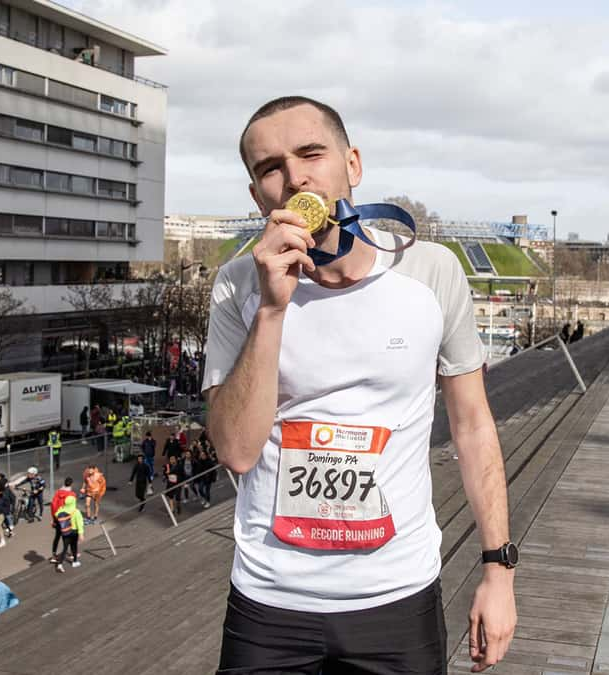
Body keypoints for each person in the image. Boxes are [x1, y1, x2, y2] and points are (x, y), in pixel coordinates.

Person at [205, 97, 516, 672]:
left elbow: (473, 426)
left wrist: (497, 568)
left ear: (353, 164)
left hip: (396, 598)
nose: (294, 176)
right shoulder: (236, 287)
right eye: (270, 167)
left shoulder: (431, 271)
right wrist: (272, 310)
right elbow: (236, 451)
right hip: (270, 600)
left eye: (311, 153)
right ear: (257, 196)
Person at [54, 494, 84, 573]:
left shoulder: (61, 509)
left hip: (65, 531)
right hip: (74, 532)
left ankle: (60, 564)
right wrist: (81, 534)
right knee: (74, 547)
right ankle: (74, 562)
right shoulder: (76, 511)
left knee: (65, 547)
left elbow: (56, 515)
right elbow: (79, 523)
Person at [49, 477, 76, 564]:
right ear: (71, 484)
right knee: (68, 537)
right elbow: (72, 508)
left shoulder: (57, 493)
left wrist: (54, 518)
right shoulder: (72, 494)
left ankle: (54, 555)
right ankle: (71, 554)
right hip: (67, 518)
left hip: (57, 517)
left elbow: (53, 505)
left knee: (57, 536)